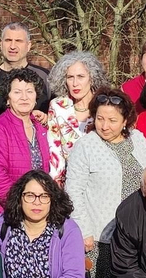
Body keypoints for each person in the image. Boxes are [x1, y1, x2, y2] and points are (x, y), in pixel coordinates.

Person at [64, 90, 146, 278]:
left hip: (136, 228)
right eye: (100, 118)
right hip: (101, 229)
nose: (104, 125)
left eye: (112, 120)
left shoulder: (138, 139)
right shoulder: (86, 146)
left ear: (125, 121)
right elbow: (74, 191)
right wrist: (84, 230)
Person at [0, 68, 53, 218]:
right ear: (7, 98)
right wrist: (20, 205)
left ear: (36, 97)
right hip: (8, 213)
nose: (24, 97)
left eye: (29, 91)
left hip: (38, 211)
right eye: (17, 92)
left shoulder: (41, 128)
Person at [46, 51, 108, 184]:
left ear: (92, 78)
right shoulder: (57, 106)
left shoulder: (105, 104)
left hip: (102, 180)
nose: (75, 83)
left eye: (80, 77)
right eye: (70, 77)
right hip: (69, 181)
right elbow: (55, 152)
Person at [0, 22, 51, 121]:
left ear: (28, 45)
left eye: (18, 41)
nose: (12, 46)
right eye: (8, 40)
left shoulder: (46, 78)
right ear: (1, 44)